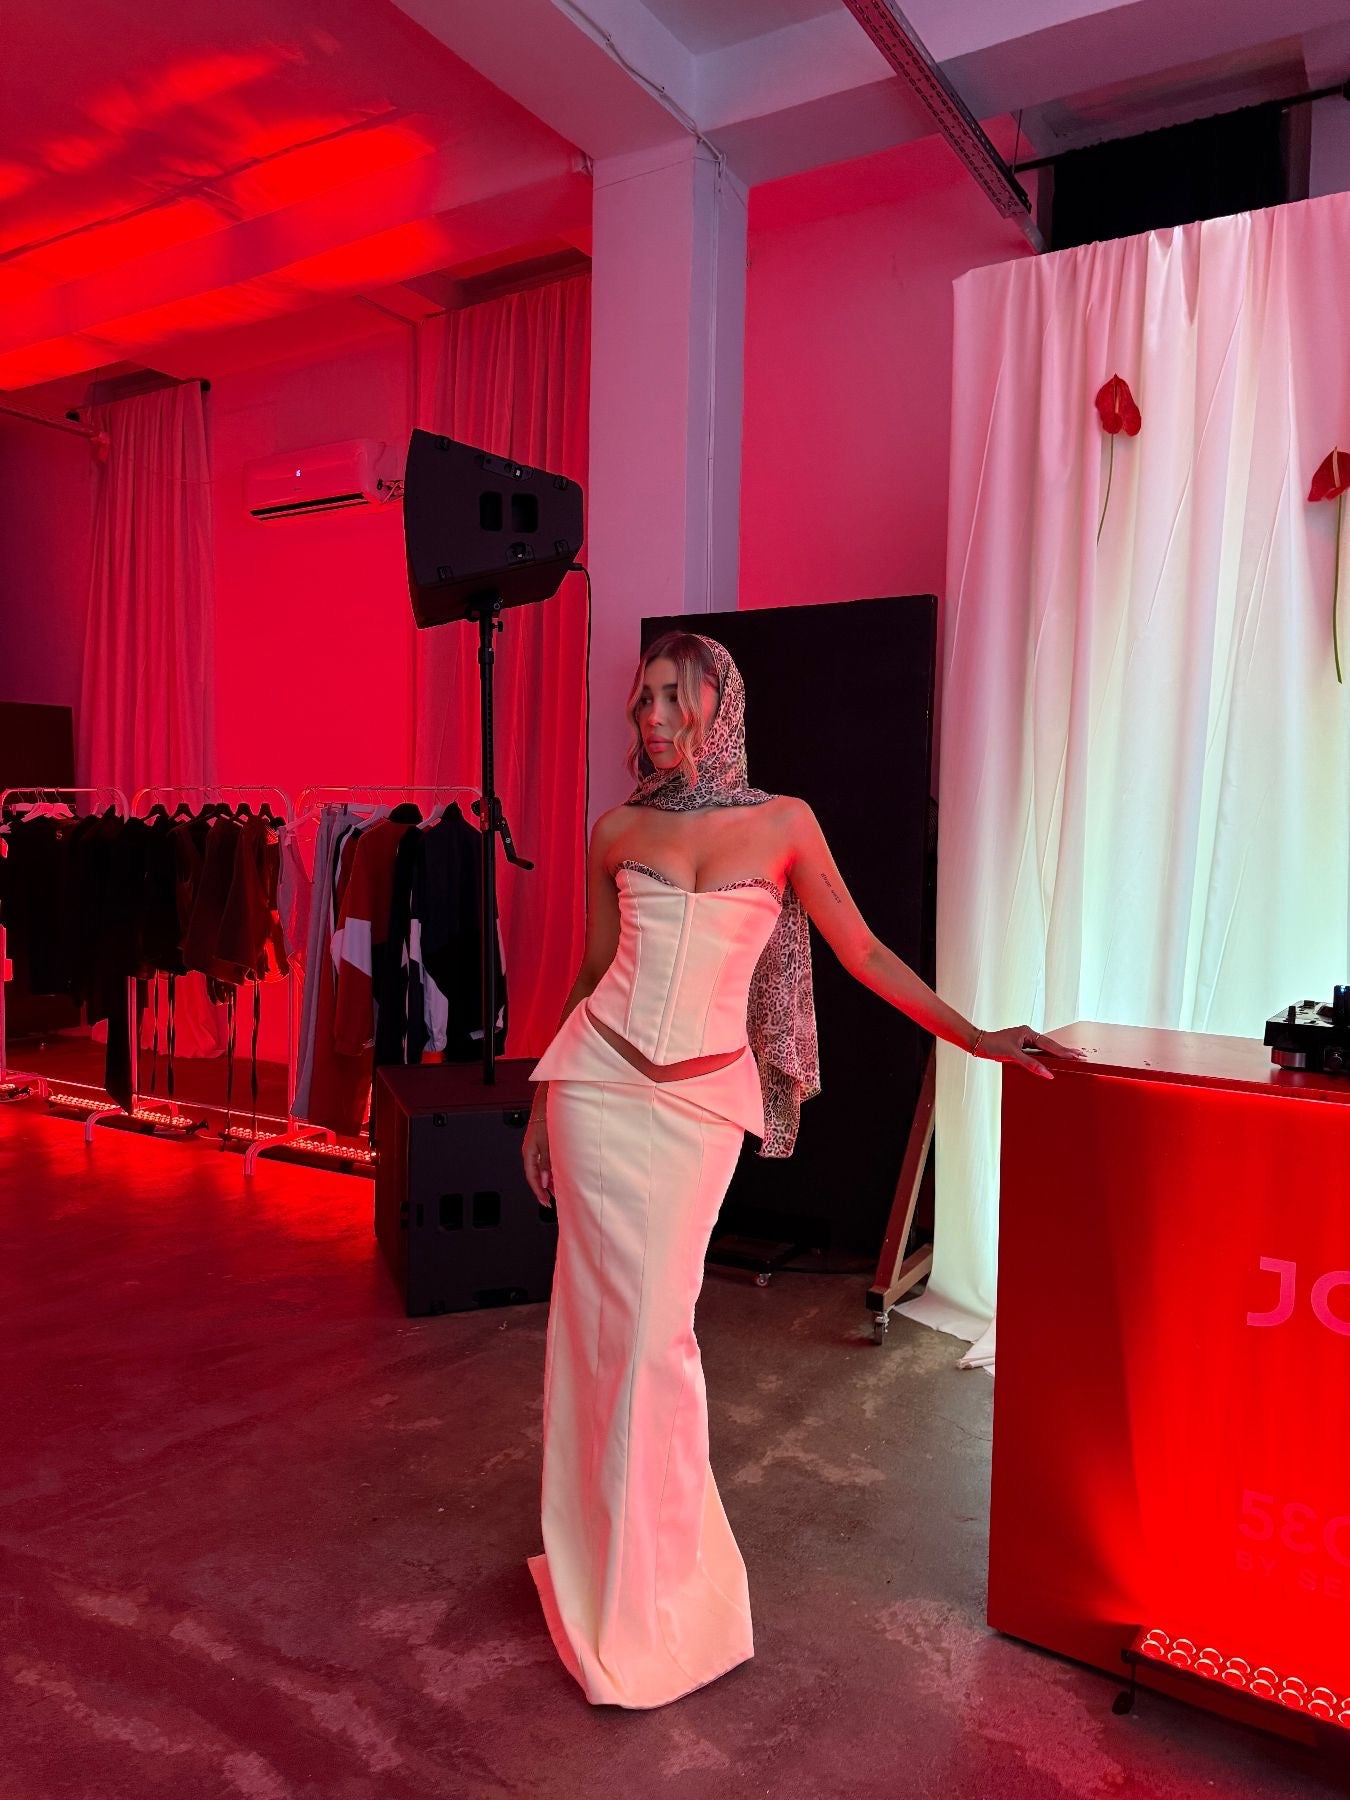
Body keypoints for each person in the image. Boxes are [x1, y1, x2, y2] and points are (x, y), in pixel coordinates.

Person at [519, 631, 1082, 1709]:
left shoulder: (784, 824)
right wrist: (544, 1099)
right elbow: (591, 972)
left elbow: (862, 951)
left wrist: (975, 1038)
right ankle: (597, 1565)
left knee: (655, 1340)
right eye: (642, 702)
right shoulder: (616, 830)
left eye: (673, 699)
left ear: (719, 705)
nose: (652, 719)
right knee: (591, 1335)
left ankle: (658, 1586)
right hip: (596, 1085)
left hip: (698, 1108)